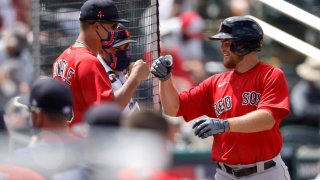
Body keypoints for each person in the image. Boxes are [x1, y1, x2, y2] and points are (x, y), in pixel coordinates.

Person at [151, 16, 291, 179]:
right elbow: (173, 108)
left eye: (227, 43)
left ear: (243, 45)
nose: (222, 49)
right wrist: (165, 79)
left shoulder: (271, 75)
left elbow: (267, 119)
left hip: (265, 172)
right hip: (225, 174)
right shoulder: (215, 82)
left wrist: (225, 125)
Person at [52, 0, 149, 126]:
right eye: (113, 27)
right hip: (84, 141)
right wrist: (135, 78)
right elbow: (108, 112)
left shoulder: (61, 58)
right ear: (96, 26)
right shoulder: (88, 61)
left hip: (67, 137)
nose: (115, 32)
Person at [7, 78, 83, 178]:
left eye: (31, 112)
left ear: (38, 116)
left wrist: (32, 149)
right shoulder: (92, 150)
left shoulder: (20, 159)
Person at [98, 26, 140, 114]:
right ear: (102, 51)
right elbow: (109, 111)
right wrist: (135, 78)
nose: (123, 52)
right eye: (117, 48)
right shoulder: (98, 72)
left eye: (126, 47)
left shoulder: (118, 70)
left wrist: (129, 78)